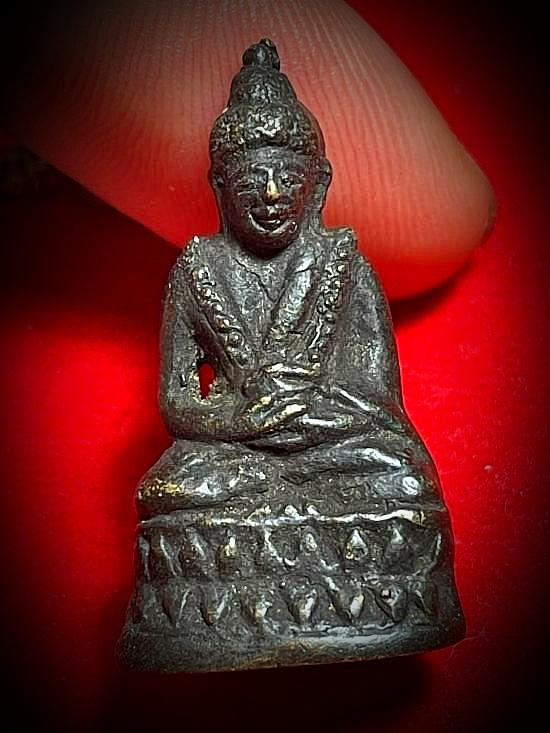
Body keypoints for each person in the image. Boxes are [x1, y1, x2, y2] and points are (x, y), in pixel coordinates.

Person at [137, 38, 440, 519]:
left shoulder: (346, 267)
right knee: (168, 489)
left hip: (332, 447)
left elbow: (378, 400)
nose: (273, 195)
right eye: (250, 182)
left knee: (403, 478)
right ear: (219, 187)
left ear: (319, 185)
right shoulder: (197, 270)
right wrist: (240, 421)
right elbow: (177, 403)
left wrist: (308, 412)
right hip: (234, 451)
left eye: (290, 180)